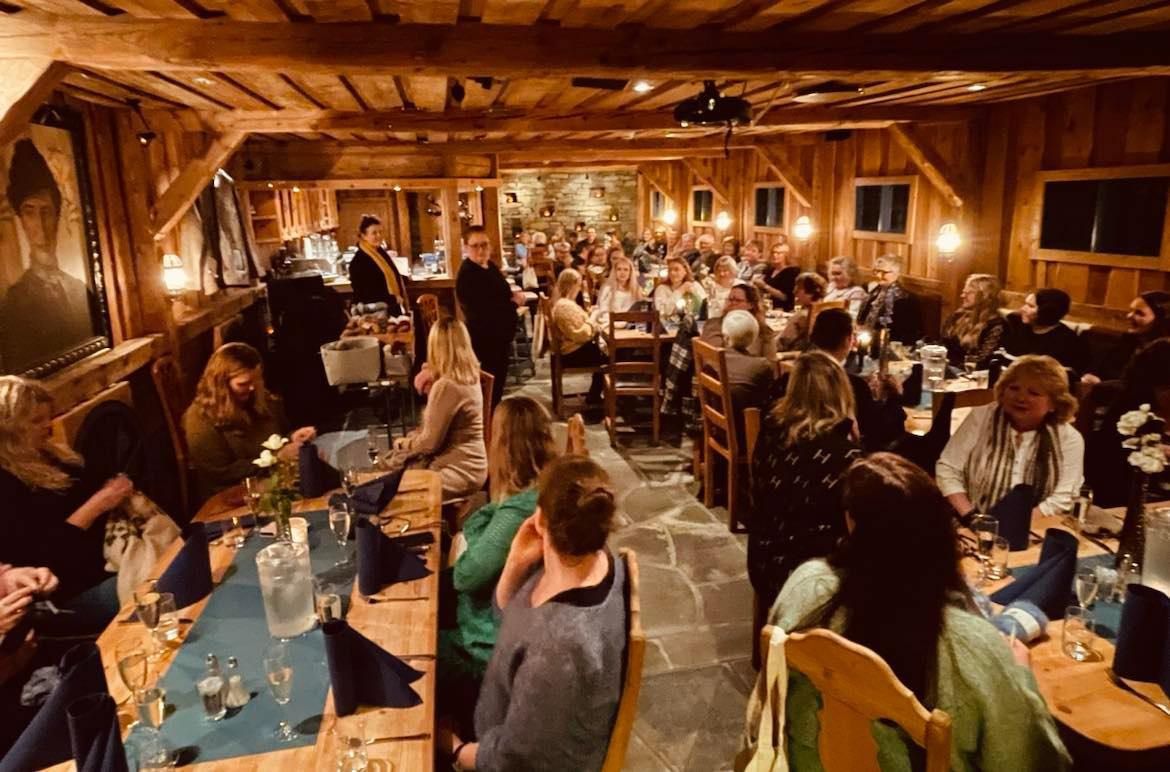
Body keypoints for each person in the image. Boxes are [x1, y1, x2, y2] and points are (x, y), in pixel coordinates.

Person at [743, 453, 1071, 772]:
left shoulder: (806, 586)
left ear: (852, 523)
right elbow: (1032, 761)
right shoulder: (973, 647)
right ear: (942, 535)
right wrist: (1021, 676)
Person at [439, 455, 626, 772]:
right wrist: (515, 562)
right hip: (510, 720)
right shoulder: (598, 561)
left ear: (539, 519)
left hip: (505, 751)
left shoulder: (556, 650)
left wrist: (455, 750)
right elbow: (510, 623)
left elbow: (514, 761)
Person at [438, 397, 557, 686]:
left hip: (493, 655)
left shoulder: (519, 511)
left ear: (503, 447)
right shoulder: (545, 490)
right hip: (521, 633)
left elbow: (467, 577)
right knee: (432, 588)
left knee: (413, 652)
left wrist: (475, 527)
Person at [0, 377, 130, 631]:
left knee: (175, 559)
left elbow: (91, 481)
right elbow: (44, 560)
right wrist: (97, 505)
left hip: (109, 559)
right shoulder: (5, 484)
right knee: (152, 585)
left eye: (48, 417)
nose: (48, 426)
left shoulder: (47, 453)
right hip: (68, 592)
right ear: (9, 429)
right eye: (36, 421)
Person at [748, 351, 862, 607]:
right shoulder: (845, 456)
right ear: (842, 392)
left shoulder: (772, 428)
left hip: (763, 558)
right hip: (809, 576)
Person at [937, 355, 1083, 521]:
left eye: (1033, 393)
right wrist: (971, 516)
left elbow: (1065, 496)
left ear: (1054, 403)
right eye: (1014, 388)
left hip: (1038, 526)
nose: (1020, 398)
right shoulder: (981, 417)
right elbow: (948, 468)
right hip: (970, 521)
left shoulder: (1069, 439)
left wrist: (1017, 525)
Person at [1, 139, 97, 374]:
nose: (40, 223)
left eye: (46, 211)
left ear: (57, 215)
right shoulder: (14, 302)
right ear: (21, 220)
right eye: (29, 212)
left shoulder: (79, 289)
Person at [183, 343, 316, 503]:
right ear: (222, 384)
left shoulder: (261, 399)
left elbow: (278, 436)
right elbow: (221, 473)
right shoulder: (200, 419)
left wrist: (292, 438)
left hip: (275, 479)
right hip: (232, 493)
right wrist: (277, 458)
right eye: (243, 384)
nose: (252, 387)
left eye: (256, 380)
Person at [392, 318, 487, 500]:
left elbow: (429, 444)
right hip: (471, 466)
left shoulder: (446, 386)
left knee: (394, 490)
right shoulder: (469, 376)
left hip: (456, 470)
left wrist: (404, 444)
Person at [1085, 339, 1170, 507]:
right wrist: (1156, 452)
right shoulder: (1128, 415)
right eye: (1165, 388)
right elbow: (1106, 470)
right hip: (1123, 502)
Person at [808, 308, 906, 451]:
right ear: (849, 340)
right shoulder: (851, 384)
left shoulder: (796, 377)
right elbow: (882, 431)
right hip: (841, 455)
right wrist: (895, 397)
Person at [456, 226, 526, 406]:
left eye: (484, 245)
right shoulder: (468, 275)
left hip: (499, 337)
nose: (481, 250)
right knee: (489, 393)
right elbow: (484, 311)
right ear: (465, 248)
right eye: (475, 246)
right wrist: (514, 303)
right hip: (485, 340)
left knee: (498, 386)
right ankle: (489, 422)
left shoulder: (489, 266)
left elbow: (500, 293)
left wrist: (511, 297)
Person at [1081, 290, 1170, 385]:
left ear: (1160, 321)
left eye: (1139, 313)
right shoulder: (1129, 341)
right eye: (1131, 311)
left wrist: (1102, 384)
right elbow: (1100, 368)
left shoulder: (1163, 354)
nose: (1129, 316)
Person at [551, 269, 606, 404]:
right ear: (573, 285)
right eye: (579, 284)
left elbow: (577, 323)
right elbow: (581, 335)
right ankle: (595, 398)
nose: (581, 288)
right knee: (610, 359)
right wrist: (593, 318)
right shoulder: (564, 307)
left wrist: (588, 314)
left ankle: (595, 396)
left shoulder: (566, 303)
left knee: (606, 353)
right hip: (572, 353)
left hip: (574, 349)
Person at [1001, 289, 1083, 372]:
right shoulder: (1013, 322)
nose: (1023, 309)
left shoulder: (1067, 341)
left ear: (1047, 311)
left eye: (1031, 306)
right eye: (1025, 304)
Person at [941, 274, 1007, 368]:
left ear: (985, 296)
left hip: (970, 373)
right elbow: (942, 344)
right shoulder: (958, 316)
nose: (962, 296)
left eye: (969, 293)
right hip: (946, 367)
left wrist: (950, 366)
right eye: (964, 292)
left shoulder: (997, 325)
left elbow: (983, 362)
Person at [347, 214, 408, 315]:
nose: (379, 236)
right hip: (375, 312)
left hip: (390, 307)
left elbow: (388, 275)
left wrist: (403, 279)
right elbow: (366, 292)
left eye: (380, 232)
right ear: (364, 236)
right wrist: (392, 298)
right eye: (374, 233)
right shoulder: (359, 261)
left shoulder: (379, 252)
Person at [857, 253, 921, 345]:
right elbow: (862, 319)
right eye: (877, 271)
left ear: (897, 273)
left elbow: (907, 334)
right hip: (867, 340)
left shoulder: (906, 298)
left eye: (884, 272)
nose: (879, 276)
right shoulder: (875, 291)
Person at [700, 283, 777, 357]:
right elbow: (713, 356)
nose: (732, 303)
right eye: (730, 299)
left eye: (737, 300)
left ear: (751, 305)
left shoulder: (764, 332)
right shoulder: (713, 325)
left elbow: (771, 361)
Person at [721, 310, 775, 412]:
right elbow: (767, 397)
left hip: (718, 413)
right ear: (754, 337)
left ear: (725, 337)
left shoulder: (713, 357)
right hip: (748, 419)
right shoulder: (762, 365)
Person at [777, 272, 828, 351]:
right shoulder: (826, 309)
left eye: (798, 289)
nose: (794, 292)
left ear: (810, 293)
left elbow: (783, 342)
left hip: (794, 353)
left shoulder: (802, 315)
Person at [594, 254, 643, 325]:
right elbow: (603, 310)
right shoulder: (608, 289)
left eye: (626, 270)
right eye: (619, 269)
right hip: (609, 322)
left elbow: (639, 312)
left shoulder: (636, 290)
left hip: (629, 324)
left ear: (630, 273)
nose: (622, 272)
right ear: (615, 272)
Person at [753, 241, 800, 311]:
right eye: (773, 252)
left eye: (778, 253)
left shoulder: (791, 272)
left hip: (782, 309)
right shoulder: (769, 270)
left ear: (786, 255)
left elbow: (785, 297)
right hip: (766, 306)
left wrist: (765, 286)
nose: (774, 255)